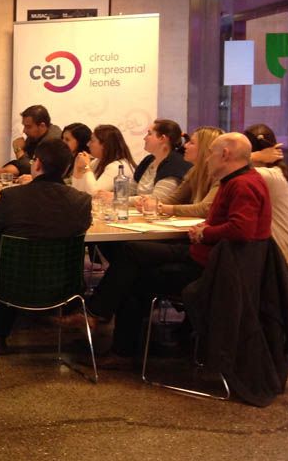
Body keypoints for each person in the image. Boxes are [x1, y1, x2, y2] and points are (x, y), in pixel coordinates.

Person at [68, 133, 272, 366]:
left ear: (225, 155)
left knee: (133, 279)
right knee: (131, 251)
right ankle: (98, 314)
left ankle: (118, 346)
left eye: (211, 154)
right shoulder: (237, 181)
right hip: (207, 256)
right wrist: (206, 229)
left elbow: (241, 230)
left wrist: (206, 232)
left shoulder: (242, 184)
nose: (207, 160)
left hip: (215, 269)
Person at [0, 138, 91, 342]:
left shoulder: (12, 197)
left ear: (37, 164)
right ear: (66, 168)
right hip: (64, 285)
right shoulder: (81, 201)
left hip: (12, 283)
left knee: (1, 256)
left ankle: (0, 335)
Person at [244, 123, 288, 265]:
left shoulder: (267, 175)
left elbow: (227, 168)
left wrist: (254, 156)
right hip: (274, 253)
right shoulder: (277, 173)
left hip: (274, 260)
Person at [148, 126, 223, 217]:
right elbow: (175, 199)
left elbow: (205, 208)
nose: (185, 145)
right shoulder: (194, 171)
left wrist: (161, 207)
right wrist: (150, 202)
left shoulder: (221, 175)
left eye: (191, 143)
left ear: (205, 148)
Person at [0, 105, 62, 176]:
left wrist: (18, 150)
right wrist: (3, 171)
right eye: (24, 126)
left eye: (28, 127)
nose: (24, 131)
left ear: (42, 126)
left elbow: (35, 168)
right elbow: (25, 162)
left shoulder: (52, 141)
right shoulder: (35, 135)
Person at [132, 119, 191, 201]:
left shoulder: (176, 164)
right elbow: (130, 191)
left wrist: (120, 200)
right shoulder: (148, 160)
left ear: (162, 138)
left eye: (149, 134)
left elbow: (157, 198)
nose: (144, 138)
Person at [69, 124, 137, 195]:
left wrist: (86, 166)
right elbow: (78, 192)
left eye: (92, 141)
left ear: (105, 145)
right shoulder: (97, 161)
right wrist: (78, 168)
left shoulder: (117, 166)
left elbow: (94, 193)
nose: (88, 144)